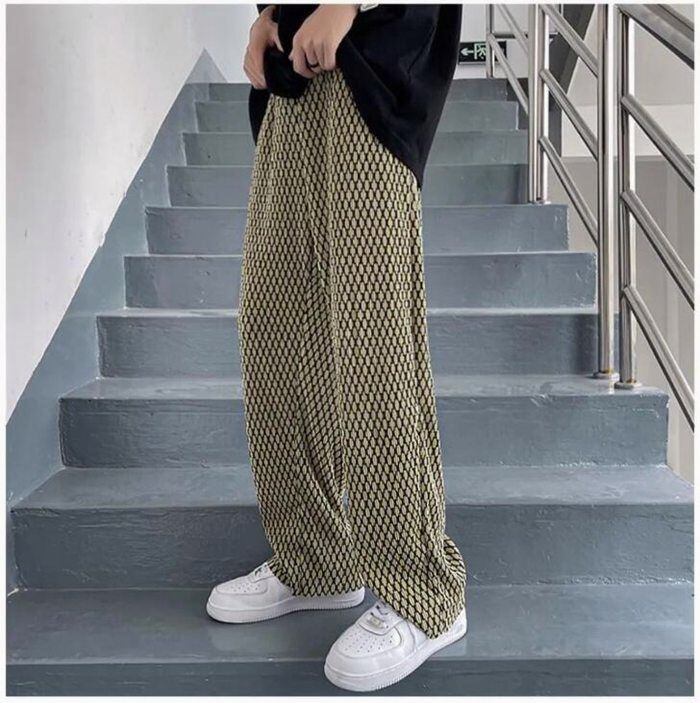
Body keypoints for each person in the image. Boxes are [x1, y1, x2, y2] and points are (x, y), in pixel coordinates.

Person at [206, 3, 467, 691]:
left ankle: (424, 592)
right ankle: (315, 559)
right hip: (293, 80)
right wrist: (269, 16)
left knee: (373, 336)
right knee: (274, 328)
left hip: (373, 74)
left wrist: (348, 3)